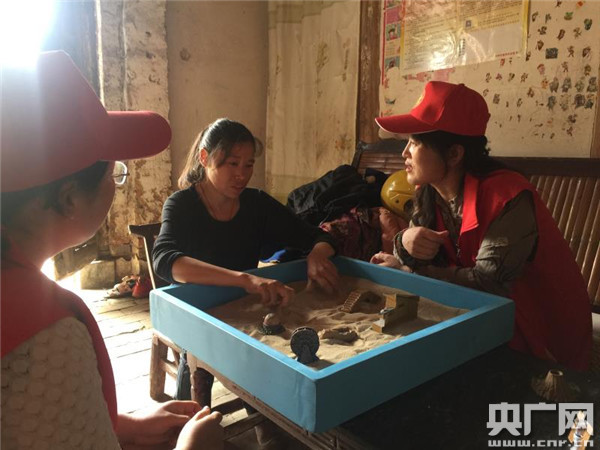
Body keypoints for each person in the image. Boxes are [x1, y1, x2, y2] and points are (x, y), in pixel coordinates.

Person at [1, 51, 223, 449]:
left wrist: (117, 425)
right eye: (114, 173)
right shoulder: (45, 337)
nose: (116, 184)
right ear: (69, 199)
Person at [370, 81, 592, 370]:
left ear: (454, 154)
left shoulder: (507, 196)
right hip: (483, 319)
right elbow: (419, 258)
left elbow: (489, 283)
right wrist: (404, 242)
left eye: (415, 142)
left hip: (541, 338)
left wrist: (410, 271)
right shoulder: (430, 192)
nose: (404, 153)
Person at [152, 118, 339, 303]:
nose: (241, 175)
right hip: (194, 304)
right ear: (204, 158)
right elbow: (163, 260)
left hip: (240, 302)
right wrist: (245, 280)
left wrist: (317, 255)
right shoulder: (181, 204)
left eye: (248, 165)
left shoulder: (256, 203)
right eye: (233, 164)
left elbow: (320, 237)